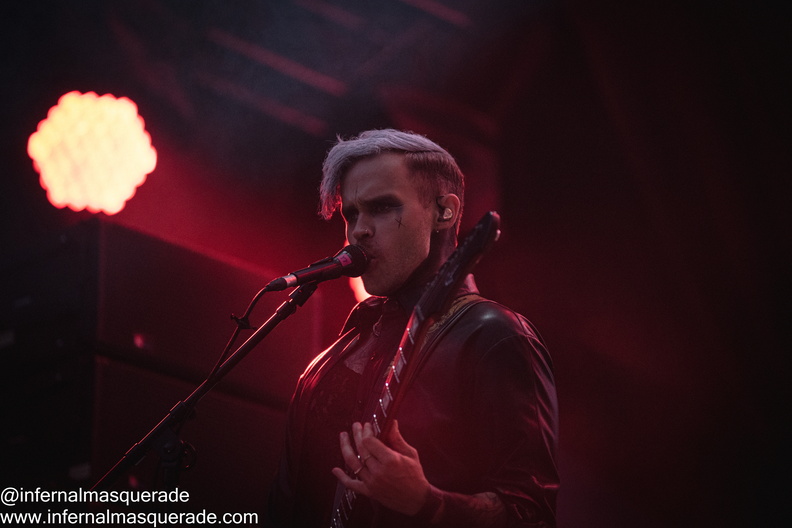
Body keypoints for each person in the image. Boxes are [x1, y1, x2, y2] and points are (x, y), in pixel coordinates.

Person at [267, 129, 559, 527]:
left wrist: (427, 503)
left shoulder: (495, 335)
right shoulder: (324, 363)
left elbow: (533, 516)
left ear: (445, 212)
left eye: (382, 207)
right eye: (351, 214)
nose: (359, 230)